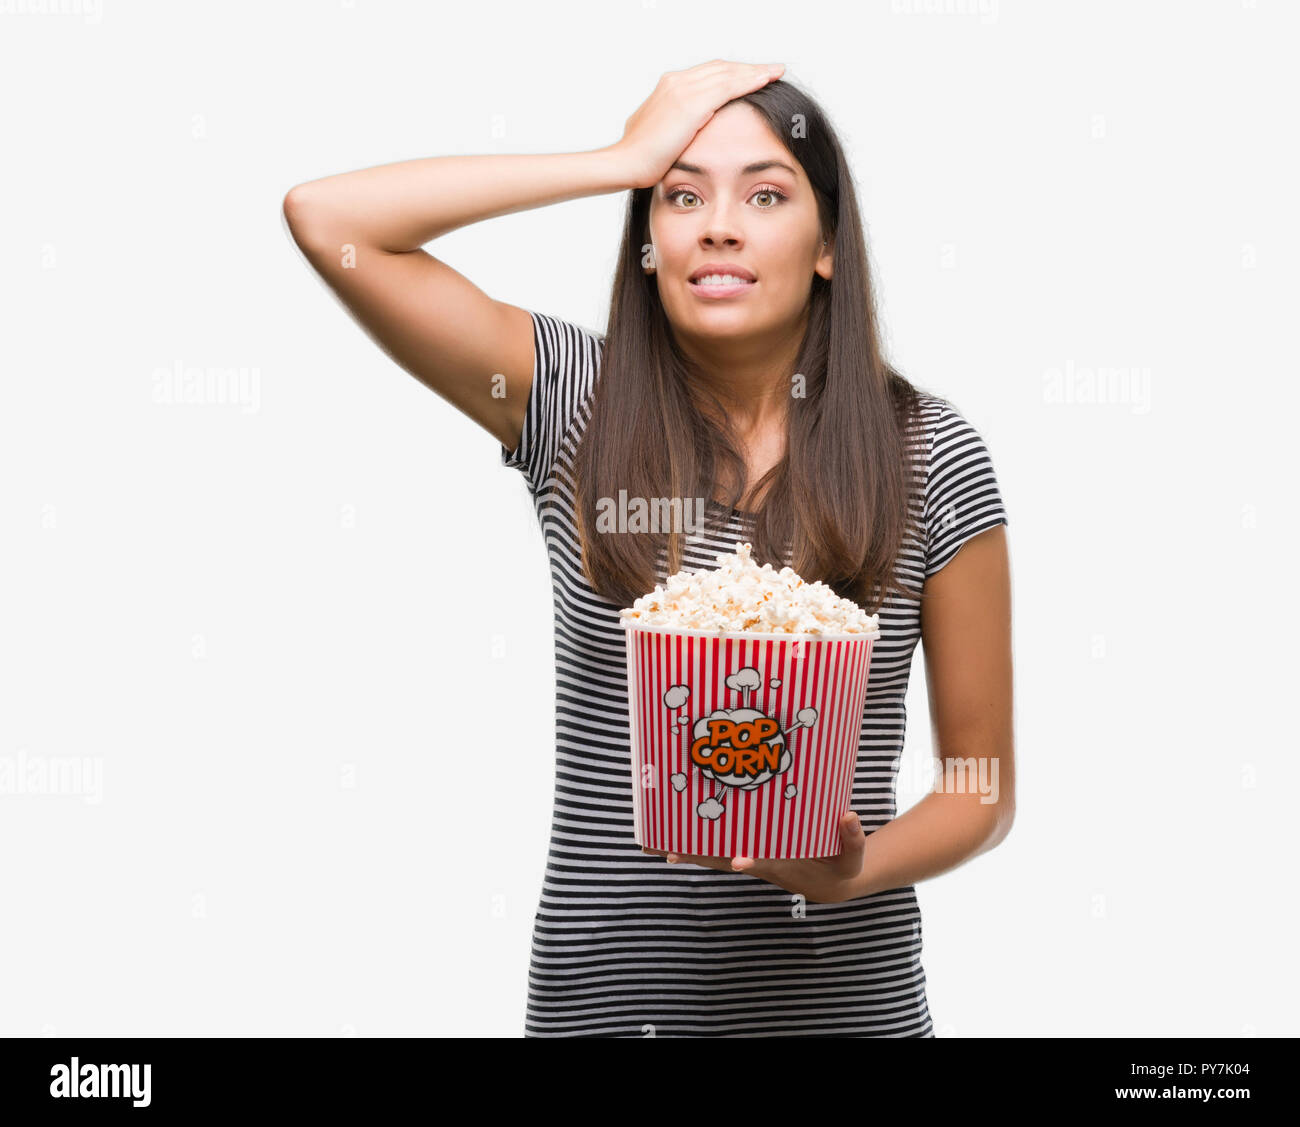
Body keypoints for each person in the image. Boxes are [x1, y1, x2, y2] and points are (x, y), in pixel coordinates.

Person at [282, 59, 1015, 1037]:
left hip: (844, 1005)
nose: (718, 223)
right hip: (608, 1007)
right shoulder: (569, 402)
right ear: (646, 243)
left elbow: (980, 783)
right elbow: (331, 221)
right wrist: (613, 159)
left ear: (828, 241)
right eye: (679, 195)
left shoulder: (928, 451)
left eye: (765, 193)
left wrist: (856, 870)